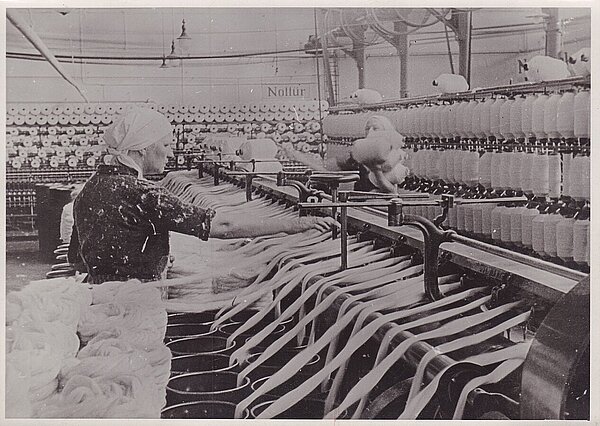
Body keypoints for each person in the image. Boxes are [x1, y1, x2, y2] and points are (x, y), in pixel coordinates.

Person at [69, 108, 337, 285]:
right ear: (141, 150)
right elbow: (224, 226)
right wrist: (296, 224)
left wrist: (143, 259)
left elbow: (77, 257)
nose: (171, 154)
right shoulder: (142, 193)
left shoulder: (92, 186)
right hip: (134, 305)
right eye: (165, 146)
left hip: (98, 300)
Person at [282, 115, 409, 193]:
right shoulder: (357, 154)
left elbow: (391, 190)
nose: (370, 131)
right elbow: (326, 168)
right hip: (362, 206)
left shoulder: (393, 155)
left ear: (386, 131)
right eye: (367, 128)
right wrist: (300, 158)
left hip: (382, 208)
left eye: (375, 128)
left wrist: (376, 171)